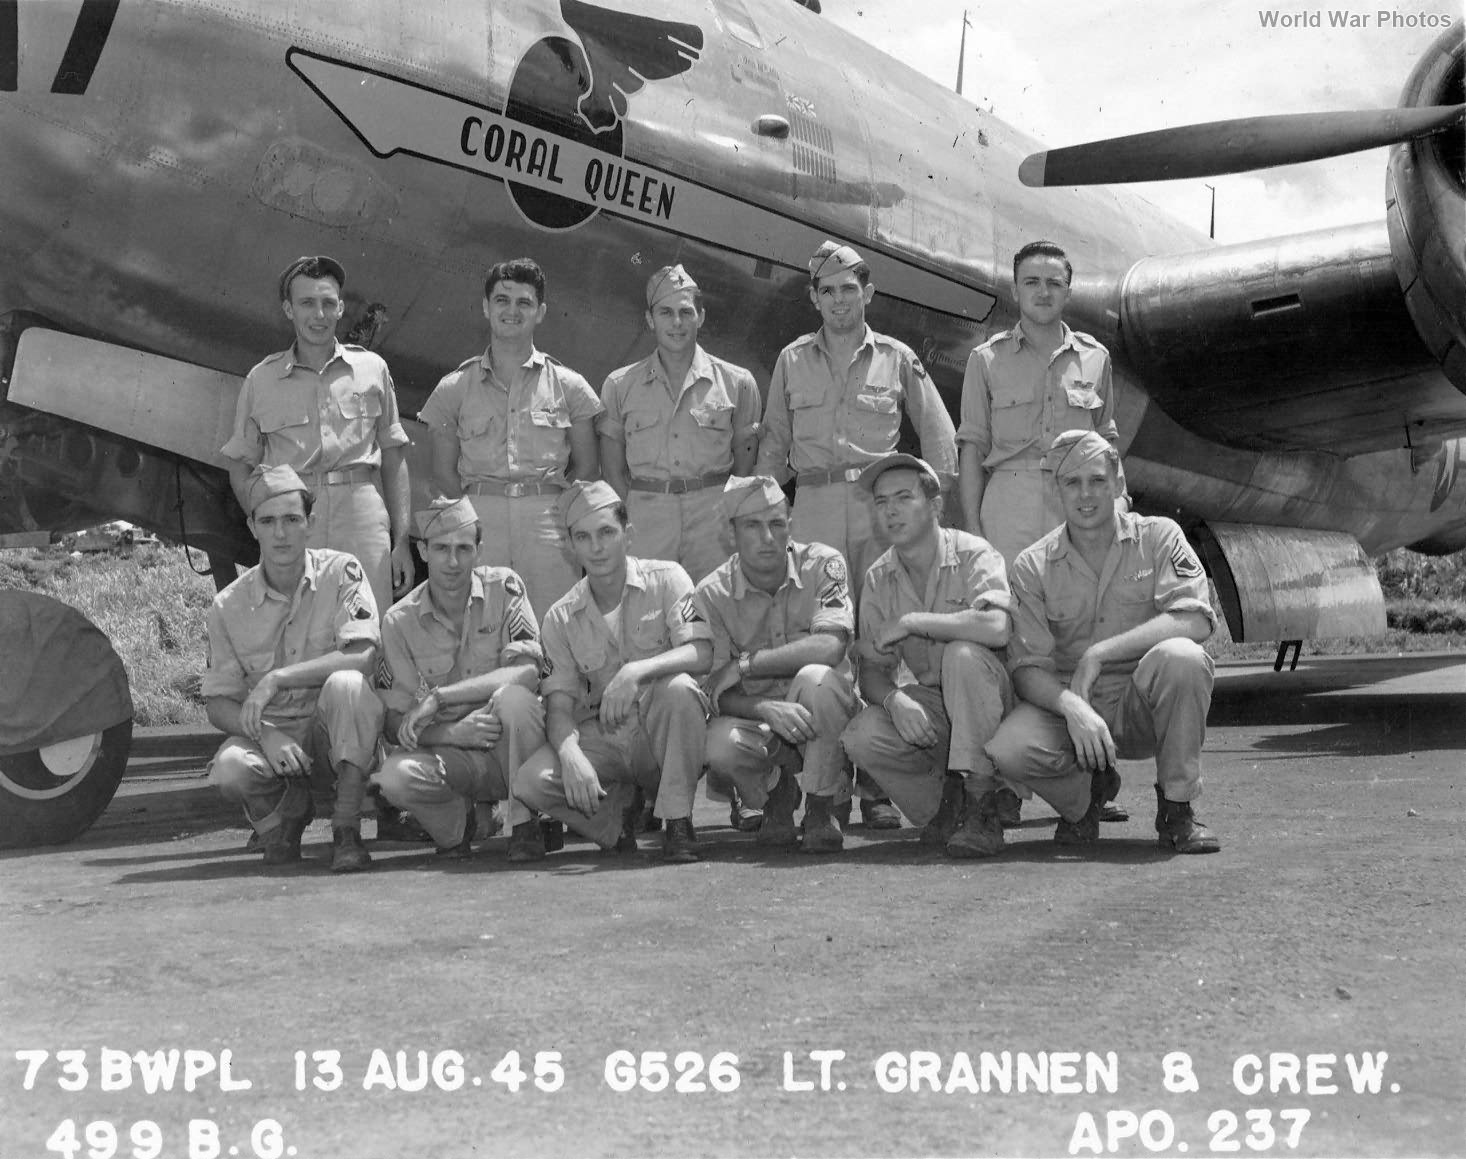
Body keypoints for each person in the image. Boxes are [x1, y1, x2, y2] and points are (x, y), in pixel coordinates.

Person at [757, 239, 957, 830]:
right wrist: (766, 517)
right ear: (813, 298)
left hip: (879, 511)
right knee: (819, 640)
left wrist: (934, 514)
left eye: (850, 289)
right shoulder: (791, 361)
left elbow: (939, 434)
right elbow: (773, 441)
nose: (840, 300)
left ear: (868, 293)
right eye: (828, 291)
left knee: (878, 641)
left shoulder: (895, 358)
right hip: (814, 507)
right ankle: (821, 783)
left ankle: (874, 780)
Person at [983, 431, 1222, 856]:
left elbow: (1196, 619)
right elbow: (1026, 668)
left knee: (1183, 658)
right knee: (1009, 748)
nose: (1085, 495)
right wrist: (1073, 708)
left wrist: (1100, 653)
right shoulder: (1033, 566)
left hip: (1141, 705)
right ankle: (1083, 799)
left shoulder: (1159, 537)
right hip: (1072, 715)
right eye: (1071, 483)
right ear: (1056, 491)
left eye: (1096, 480)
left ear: (1117, 482)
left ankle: (1176, 808)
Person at [957, 239, 1123, 828]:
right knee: (1007, 640)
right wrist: (975, 529)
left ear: (1068, 290)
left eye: (1054, 282)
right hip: (1010, 500)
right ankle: (1003, 784)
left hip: (1077, 502)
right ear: (1015, 289)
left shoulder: (1096, 359)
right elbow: (972, 446)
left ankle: (1090, 766)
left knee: (1077, 630)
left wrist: (1117, 519)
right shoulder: (988, 359)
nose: (1043, 292)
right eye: (1032, 282)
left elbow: (1107, 445)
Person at [515, 481, 711, 863]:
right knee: (530, 782)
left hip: (661, 738)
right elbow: (558, 706)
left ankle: (677, 820)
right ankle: (614, 819)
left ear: (629, 535)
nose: (597, 547)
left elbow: (701, 651)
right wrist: (570, 755)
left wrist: (636, 671)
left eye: (607, 532)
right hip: (604, 739)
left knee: (678, 689)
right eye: (583, 537)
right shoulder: (560, 616)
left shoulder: (667, 579)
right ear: (570, 547)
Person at [203, 465, 384, 872]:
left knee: (349, 684)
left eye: (291, 520)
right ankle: (282, 820)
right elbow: (217, 702)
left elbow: (363, 655)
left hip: (331, 733)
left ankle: (347, 828)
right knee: (230, 768)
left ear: (310, 523)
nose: (280, 534)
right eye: (268, 522)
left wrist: (277, 678)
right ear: (252, 527)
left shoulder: (342, 572)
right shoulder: (228, 605)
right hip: (276, 740)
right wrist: (265, 735)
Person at [840, 454, 1015, 858]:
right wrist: (892, 699)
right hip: (941, 708)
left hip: (999, 708)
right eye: (882, 502)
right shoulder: (879, 577)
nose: (891, 510)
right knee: (862, 734)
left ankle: (982, 804)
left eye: (903, 497)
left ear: (935, 507)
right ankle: (950, 805)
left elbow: (996, 628)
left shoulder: (974, 554)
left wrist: (915, 621)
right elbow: (873, 668)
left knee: (963, 656)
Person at [222, 254, 412, 618]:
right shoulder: (261, 379)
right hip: (293, 516)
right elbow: (240, 466)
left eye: (328, 303)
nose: (319, 315)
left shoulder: (372, 369)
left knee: (367, 628)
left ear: (341, 308)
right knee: (295, 629)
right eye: (307, 303)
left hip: (361, 514)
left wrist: (400, 540)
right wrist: (268, 523)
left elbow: (394, 457)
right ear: (288, 309)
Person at [419, 258, 602, 616]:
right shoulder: (454, 388)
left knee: (554, 627)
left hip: (549, 525)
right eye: (502, 300)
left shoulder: (569, 386)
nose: (512, 311)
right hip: (481, 522)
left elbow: (588, 465)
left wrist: (557, 515)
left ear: (541, 311)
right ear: (486, 307)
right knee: (483, 625)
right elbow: (442, 473)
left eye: (524, 303)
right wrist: (473, 519)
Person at [372, 497, 547, 860]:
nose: (453, 562)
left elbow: (528, 671)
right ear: (422, 551)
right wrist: (452, 733)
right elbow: (393, 723)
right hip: (453, 751)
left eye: (464, 549)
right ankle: (457, 827)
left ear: (479, 551)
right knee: (394, 776)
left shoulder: (505, 588)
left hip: (510, 745)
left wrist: (441, 698)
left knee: (516, 699)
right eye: (441, 549)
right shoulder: (398, 621)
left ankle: (526, 822)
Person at [694, 476, 859, 853]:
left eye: (776, 524)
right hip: (762, 722)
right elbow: (716, 691)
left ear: (790, 526)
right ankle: (776, 794)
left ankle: (821, 805)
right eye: (752, 525)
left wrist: (747, 664)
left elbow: (831, 645)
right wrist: (764, 706)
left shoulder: (823, 564)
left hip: (826, 713)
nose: (767, 537)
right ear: (730, 532)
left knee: (817, 678)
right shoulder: (712, 594)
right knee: (717, 743)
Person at [599, 264, 762, 583]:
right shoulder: (619, 386)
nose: (676, 323)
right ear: (649, 320)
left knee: (716, 612)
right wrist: (635, 517)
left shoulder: (737, 383)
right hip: (648, 521)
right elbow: (612, 469)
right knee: (648, 617)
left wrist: (728, 513)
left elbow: (745, 464)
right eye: (665, 313)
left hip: (712, 525)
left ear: (701, 317)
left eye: (686, 312)